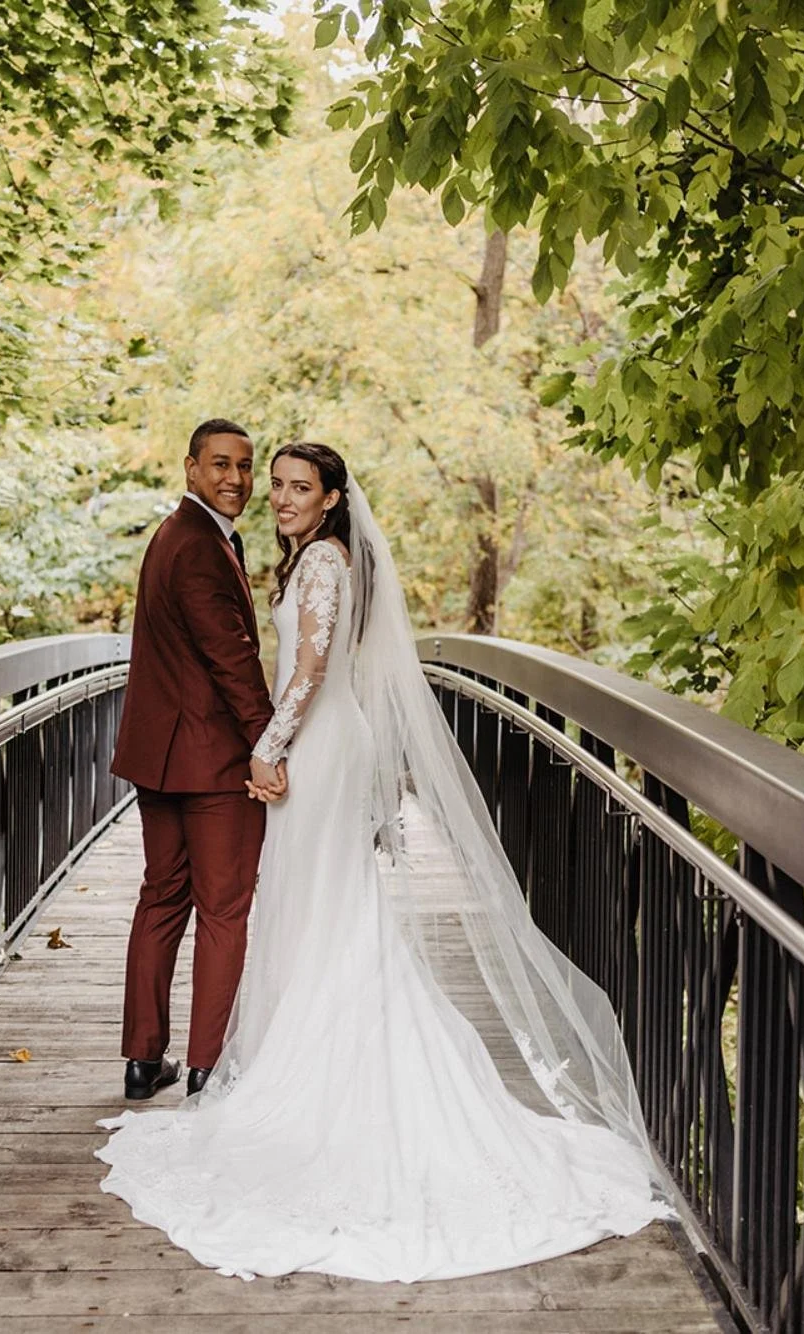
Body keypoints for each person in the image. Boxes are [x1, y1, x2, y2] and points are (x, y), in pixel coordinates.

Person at [96, 442, 671, 1282]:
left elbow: (312, 670)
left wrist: (267, 745)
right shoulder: (295, 556)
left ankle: (292, 1065)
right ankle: (279, 1053)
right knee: (312, 906)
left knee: (315, 903)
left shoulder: (322, 564)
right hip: (311, 747)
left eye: (298, 487)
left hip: (318, 752)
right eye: (278, 486)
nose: (280, 498)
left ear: (332, 499)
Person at [108, 419, 283, 1103]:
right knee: (224, 910)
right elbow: (233, 663)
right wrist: (268, 746)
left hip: (161, 759)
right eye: (220, 465)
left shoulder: (172, 536)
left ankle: (142, 1060)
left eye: (245, 466)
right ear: (189, 468)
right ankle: (207, 1066)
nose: (235, 479)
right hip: (213, 763)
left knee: (161, 900)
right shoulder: (203, 547)